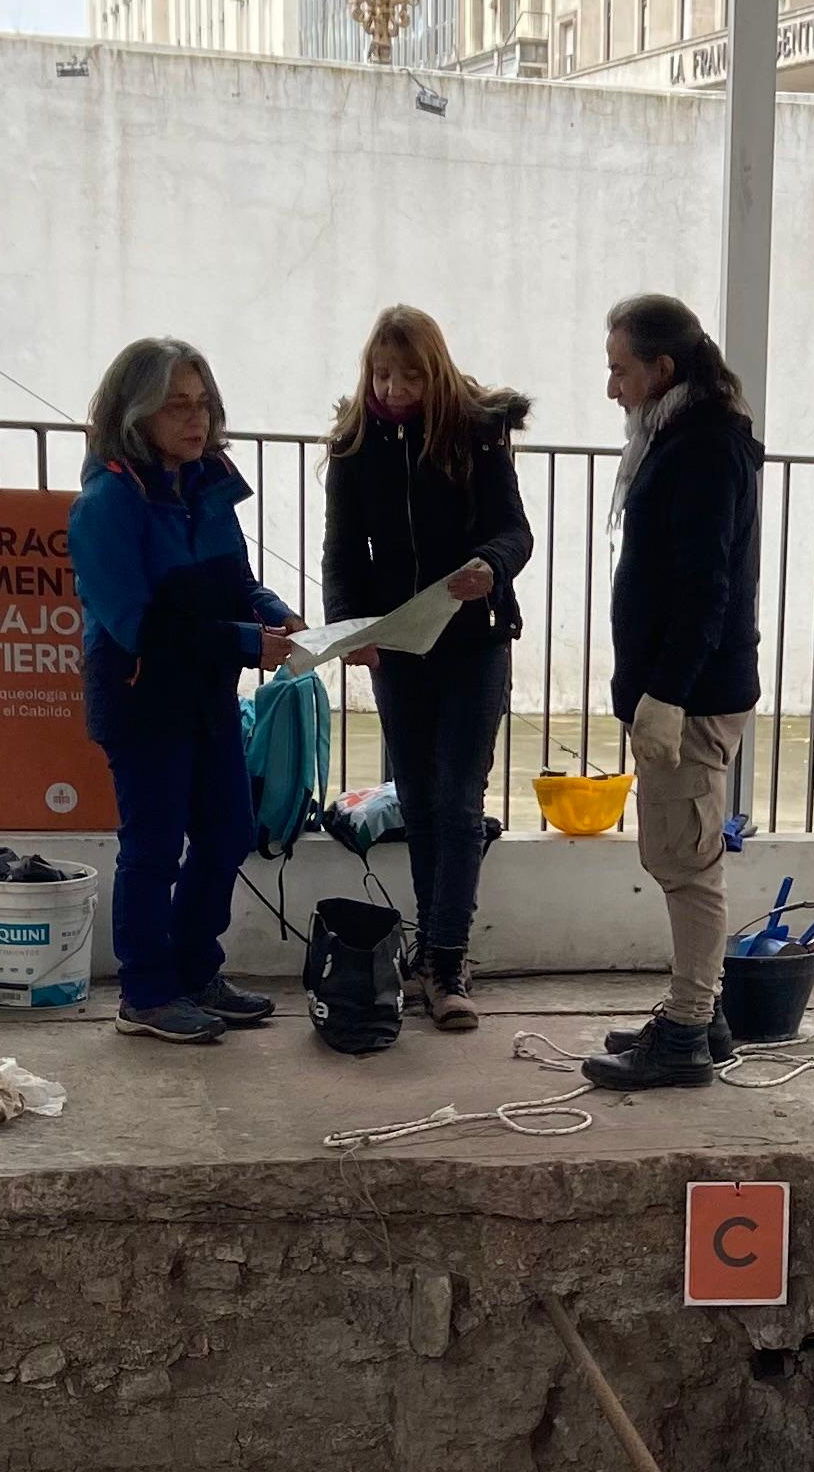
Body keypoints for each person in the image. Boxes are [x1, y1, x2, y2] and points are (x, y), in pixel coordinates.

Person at [69, 337, 302, 1043]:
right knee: (153, 847)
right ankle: (145, 993)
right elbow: (141, 626)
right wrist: (244, 642)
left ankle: (198, 971)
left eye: (202, 404)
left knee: (229, 832)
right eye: (176, 405)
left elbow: (233, 581)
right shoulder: (108, 503)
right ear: (135, 413)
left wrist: (274, 612)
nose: (195, 420)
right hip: (143, 699)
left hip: (207, 696)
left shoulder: (207, 485)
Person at [324, 305, 534, 1035]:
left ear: (435, 370)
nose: (395, 386)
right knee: (416, 799)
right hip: (399, 647)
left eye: (410, 373)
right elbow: (344, 553)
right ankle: (425, 956)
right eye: (383, 372)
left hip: (475, 642)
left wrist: (492, 565)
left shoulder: (475, 437)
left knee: (456, 798)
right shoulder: (354, 447)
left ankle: (447, 960)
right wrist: (351, 627)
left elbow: (515, 531)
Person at [583, 294, 765, 1093]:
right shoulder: (684, 435)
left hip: (690, 695)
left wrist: (665, 694)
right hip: (682, 689)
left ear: (662, 369)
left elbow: (704, 588)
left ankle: (688, 1031)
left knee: (687, 866)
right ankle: (706, 1013)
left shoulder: (700, 448)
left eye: (622, 369)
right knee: (679, 855)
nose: (612, 386)